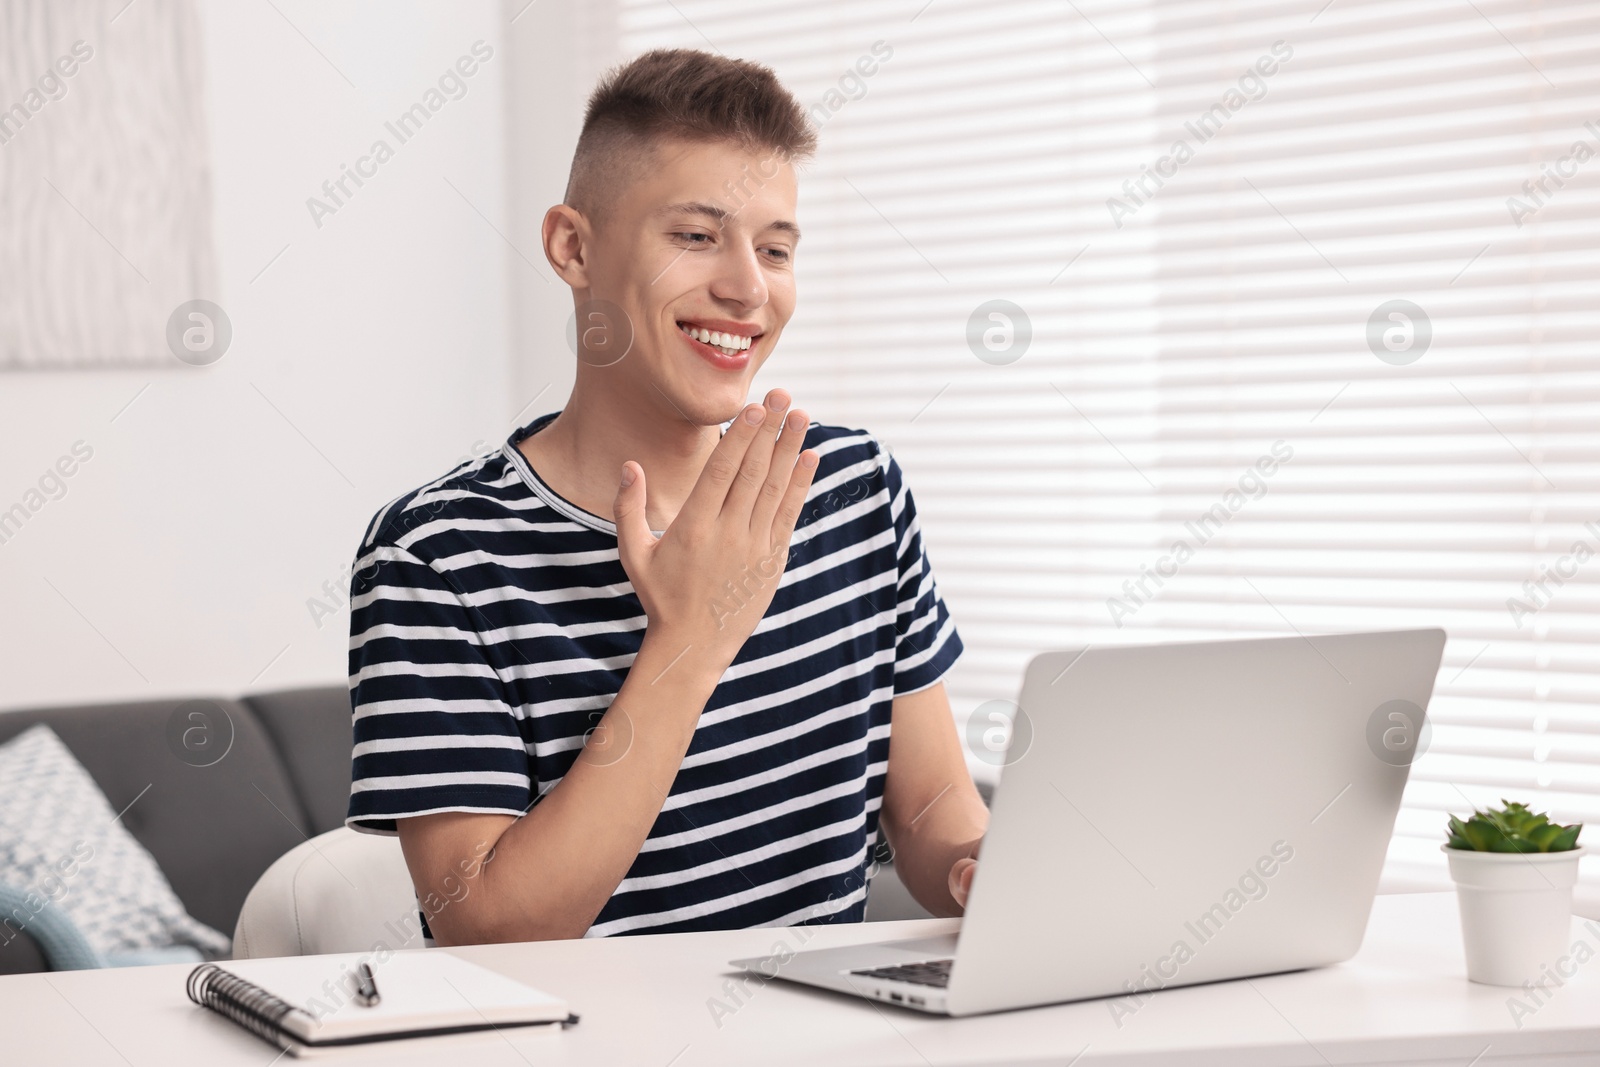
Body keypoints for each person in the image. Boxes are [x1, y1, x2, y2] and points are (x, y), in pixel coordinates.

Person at [345, 48, 987, 944]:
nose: (747, 288)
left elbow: (926, 808)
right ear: (574, 247)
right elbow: (487, 930)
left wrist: (977, 866)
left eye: (775, 249)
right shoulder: (436, 553)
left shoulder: (851, 489)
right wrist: (690, 638)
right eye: (696, 236)